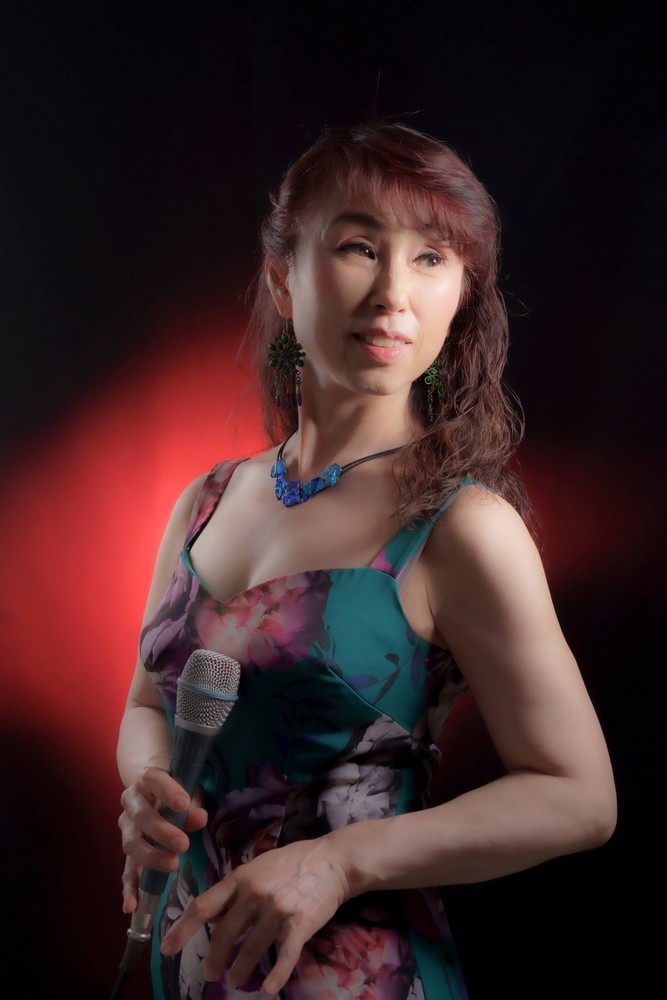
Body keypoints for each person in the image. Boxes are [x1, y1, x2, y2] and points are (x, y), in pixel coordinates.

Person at [116, 121, 617, 1000]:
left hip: (353, 978)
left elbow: (578, 796)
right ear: (283, 277)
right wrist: (147, 789)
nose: (393, 295)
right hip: (184, 965)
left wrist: (340, 861)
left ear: (461, 294)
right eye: (359, 247)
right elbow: (146, 705)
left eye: (431, 259)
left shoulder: (460, 526)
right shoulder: (206, 499)